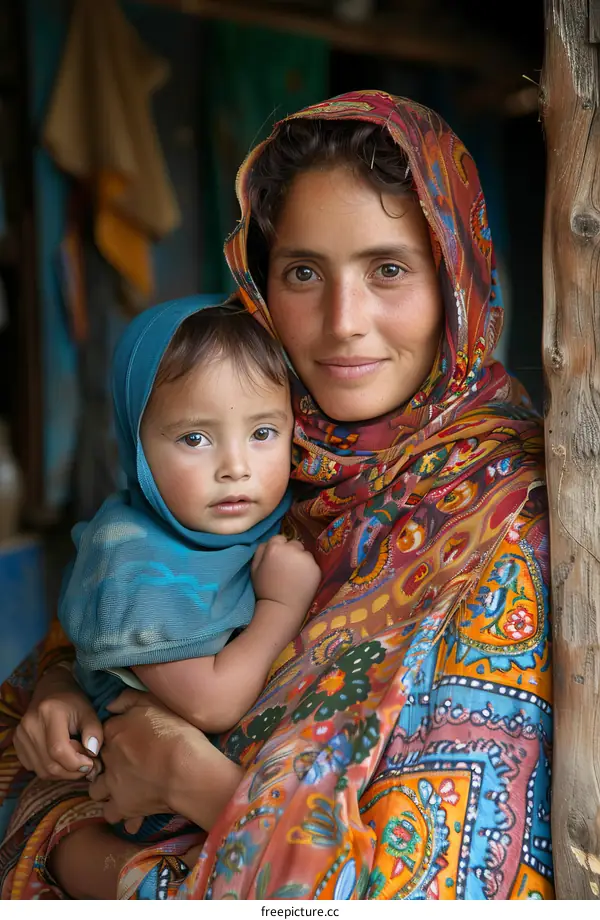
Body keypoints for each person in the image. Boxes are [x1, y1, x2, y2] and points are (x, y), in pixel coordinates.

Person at [0, 91, 553, 900]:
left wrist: (189, 779)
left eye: (389, 270)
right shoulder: (249, 459)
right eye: (302, 272)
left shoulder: (511, 527)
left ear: (458, 281)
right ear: (259, 286)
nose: (342, 322)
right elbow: (63, 677)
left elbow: (423, 891)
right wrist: (57, 697)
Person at [53, 300, 319, 851]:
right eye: (195, 438)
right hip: (147, 814)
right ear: (137, 445)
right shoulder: (133, 558)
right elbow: (210, 704)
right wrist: (281, 608)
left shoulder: (270, 523)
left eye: (263, 432)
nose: (236, 466)